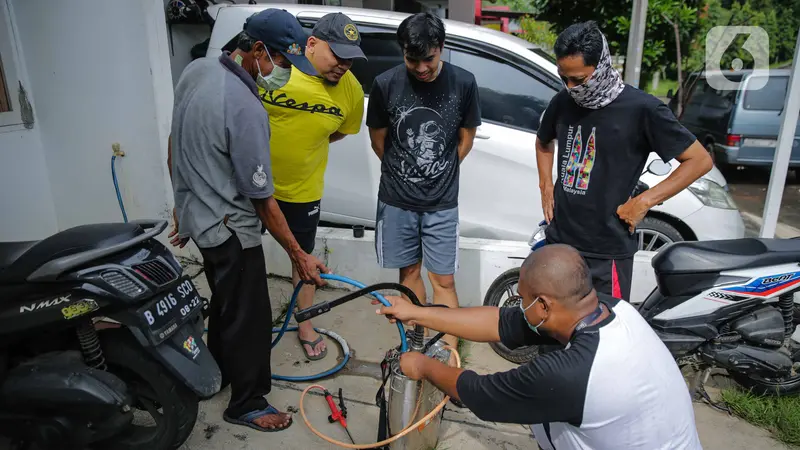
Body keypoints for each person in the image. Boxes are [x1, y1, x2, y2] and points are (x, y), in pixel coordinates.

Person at [167, 9, 330, 432]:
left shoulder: (197, 71)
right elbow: (262, 200)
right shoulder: (245, 107)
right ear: (257, 50)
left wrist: (180, 202)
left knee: (227, 302)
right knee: (252, 315)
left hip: (199, 220)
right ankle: (247, 402)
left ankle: (218, 368)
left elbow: (175, 139)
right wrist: (298, 255)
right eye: (282, 63)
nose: (285, 73)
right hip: (230, 230)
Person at [374, 244, 703, 450]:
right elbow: (500, 323)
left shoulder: (570, 374)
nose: (521, 306)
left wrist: (422, 366)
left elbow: (479, 393)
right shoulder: (613, 308)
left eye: (525, 299)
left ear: (544, 306)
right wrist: (417, 313)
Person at [535, 21, 712, 301]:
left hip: (607, 252)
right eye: (563, 78)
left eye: (579, 80)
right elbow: (543, 140)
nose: (570, 87)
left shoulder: (642, 109)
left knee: (607, 335)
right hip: (560, 243)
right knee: (553, 334)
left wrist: (643, 202)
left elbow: (699, 160)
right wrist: (546, 185)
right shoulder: (563, 101)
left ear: (602, 66)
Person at [365, 12, 481, 350]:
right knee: (409, 275)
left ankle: (447, 356)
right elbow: (379, 140)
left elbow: (466, 139)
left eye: (428, 59)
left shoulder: (464, 83)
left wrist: (438, 171)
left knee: (443, 280)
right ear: (402, 52)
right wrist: (407, 171)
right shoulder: (386, 84)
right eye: (412, 59)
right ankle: (416, 345)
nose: (420, 68)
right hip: (397, 200)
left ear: (441, 48)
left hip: (441, 203)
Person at [260, 12, 366, 361]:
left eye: (350, 58)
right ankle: (247, 322)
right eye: (337, 55)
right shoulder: (275, 69)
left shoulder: (350, 91)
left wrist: (304, 144)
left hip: (302, 189)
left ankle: (304, 322)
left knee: (303, 259)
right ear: (311, 44)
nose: (343, 65)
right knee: (242, 257)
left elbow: (340, 131)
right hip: (251, 188)